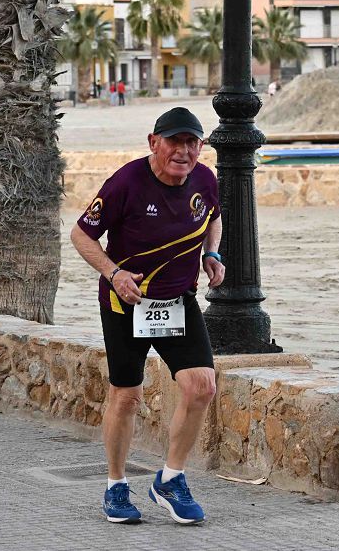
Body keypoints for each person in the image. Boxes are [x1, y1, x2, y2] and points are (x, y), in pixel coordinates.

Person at [70, 107, 224, 526]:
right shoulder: (126, 182)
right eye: (174, 141)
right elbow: (81, 233)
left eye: (192, 142)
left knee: (201, 386)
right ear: (153, 142)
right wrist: (114, 273)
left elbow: (214, 217)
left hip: (177, 301)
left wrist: (212, 253)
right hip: (126, 303)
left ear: (201, 147)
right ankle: (116, 485)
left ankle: (170, 480)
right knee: (127, 396)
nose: (183, 151)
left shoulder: (206, 180)